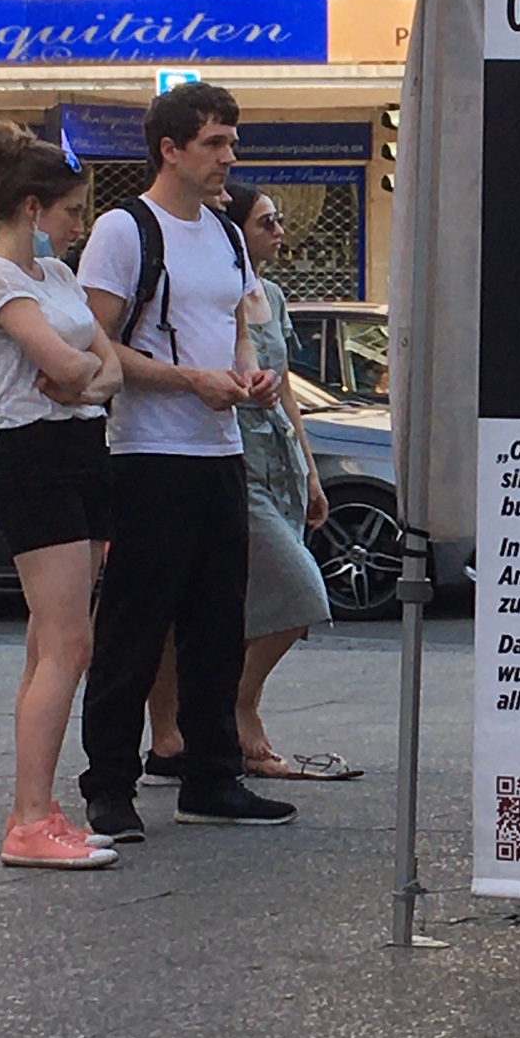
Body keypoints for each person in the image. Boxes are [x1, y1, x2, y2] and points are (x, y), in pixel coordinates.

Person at [74, 79, 297, 840]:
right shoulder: (125, 230)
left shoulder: (227, 234)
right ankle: (109, 785)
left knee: (216, 622)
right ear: (169, 149)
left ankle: (211, 776)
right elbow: (97, 344)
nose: (228, 157)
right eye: (214, 143)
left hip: (221, 449)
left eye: (232, 142)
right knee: (135, 624)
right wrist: (188, 382)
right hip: (149, 452)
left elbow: (236, 329)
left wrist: (248, 378)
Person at [141, 182, 358, 784]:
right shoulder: (204, 291)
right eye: (266, 222)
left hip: (277, 457)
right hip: (227, 454)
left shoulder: (272, 296)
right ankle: (225, 714)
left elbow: (284, 388)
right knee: (295, 591)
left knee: (241, 604)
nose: (280, 232)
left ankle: (197, 731)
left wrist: (310, 473)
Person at [0, 121, 122, 870]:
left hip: (83, 452)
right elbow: (64, 359)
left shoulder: (54, 275)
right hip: (36, 458)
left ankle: (39, 808)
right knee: (67, 642)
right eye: (72, 210)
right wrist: (79, 374)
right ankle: (28, 821)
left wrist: (79, 378)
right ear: (32, 207)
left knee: (51, 643)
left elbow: (105, 370)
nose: (80, 223)